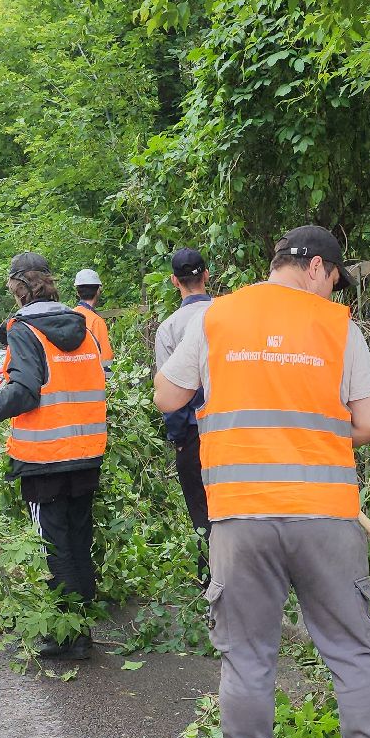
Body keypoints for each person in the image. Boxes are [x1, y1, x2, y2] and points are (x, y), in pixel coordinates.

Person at [153, 225, 370, 738]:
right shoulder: (336, 326)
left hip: (240, 516)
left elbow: (168, 396)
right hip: (325, 516)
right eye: (334, 281)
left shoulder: (215, 318)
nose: (331, 291)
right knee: (352, 652)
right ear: (317, 268)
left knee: (247, 658)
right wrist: (313, 435)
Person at [0, 252, 105, 660]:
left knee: (53, 546)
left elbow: (25, 393)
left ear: (18, 288)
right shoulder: (83, 326)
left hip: (45, 458)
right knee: (78, 540)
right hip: (86, 452)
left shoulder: (25, 330)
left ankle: (68, 638)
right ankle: (81, 629)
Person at [152, 248, 214, 585]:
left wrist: (177, 439)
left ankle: (210, 584)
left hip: (193, 433)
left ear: (175, 281)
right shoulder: (229, 314)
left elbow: (171, 396)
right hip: (234, 428)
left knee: (201, 511)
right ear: (207, 275)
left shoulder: (170, 328)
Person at [72, 268, 113, 369]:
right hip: (91, 378)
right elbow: (105, 360)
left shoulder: (70, 316)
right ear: (98, 290)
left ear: (77, 292)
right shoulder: (96, 321)